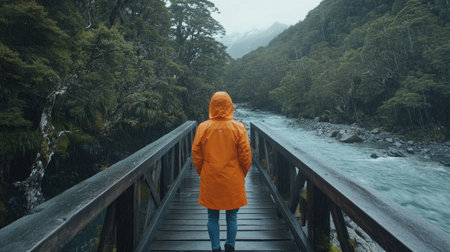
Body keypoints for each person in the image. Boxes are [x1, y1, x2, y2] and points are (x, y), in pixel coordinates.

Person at [192, 91, 252, 252]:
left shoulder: (203, 127)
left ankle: (215, 247)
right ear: (230, 105)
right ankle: (230, 245)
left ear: (211, 106)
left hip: (210, 177)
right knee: (232, 216)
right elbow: (246, 156)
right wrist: (242, 173)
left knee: (212, 217)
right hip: (232, 178)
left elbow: (196, 155)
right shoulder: (238, 127)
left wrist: (202, 172)